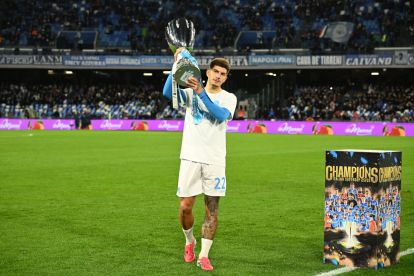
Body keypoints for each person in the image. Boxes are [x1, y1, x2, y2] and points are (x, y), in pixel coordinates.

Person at [163, 49, 237, 271]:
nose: (218, 76)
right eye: (215, 71)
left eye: (223, 74)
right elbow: (168, 92)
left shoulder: (228, 98)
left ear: (225, 77)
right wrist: (176, 63)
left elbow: (220, 115)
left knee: (211, 209)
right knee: (185, 206)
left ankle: (204, 255)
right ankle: (189, 241)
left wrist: (200, 92)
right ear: (208, 71)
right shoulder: (190, 93)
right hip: (190, 158)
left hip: (214, 160)